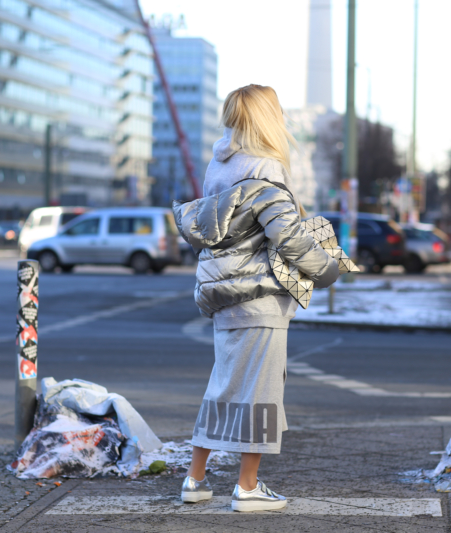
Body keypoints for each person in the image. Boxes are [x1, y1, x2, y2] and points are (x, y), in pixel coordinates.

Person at [174, 84, 339, 512]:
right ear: (268, 118)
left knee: (223, 386)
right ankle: (248, 487)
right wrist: (329, 269)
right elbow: (285, 235)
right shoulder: (265, 168)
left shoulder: (219, 165)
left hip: (224, 292)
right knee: (263, 392)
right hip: (260, 297)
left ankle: (195, 479)